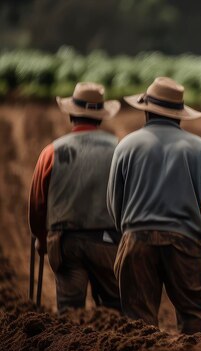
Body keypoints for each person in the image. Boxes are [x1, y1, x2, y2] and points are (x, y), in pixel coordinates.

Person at [107, 77, 201, 334]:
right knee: (192, 315)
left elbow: (114, 201)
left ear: (147, 111)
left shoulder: (126, 146)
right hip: (185, 241)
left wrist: (128, 231)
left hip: (137, 238)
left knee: (138, 320)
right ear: (180, 115)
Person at [28, 82, 121, 311]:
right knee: (115, 310)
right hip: (107, 240)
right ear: (100, 117)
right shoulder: (120, 149)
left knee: (69, 312)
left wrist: (41, 237)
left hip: (64, 242)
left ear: (71, 115)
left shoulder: (51, 152)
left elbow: (38, 203)